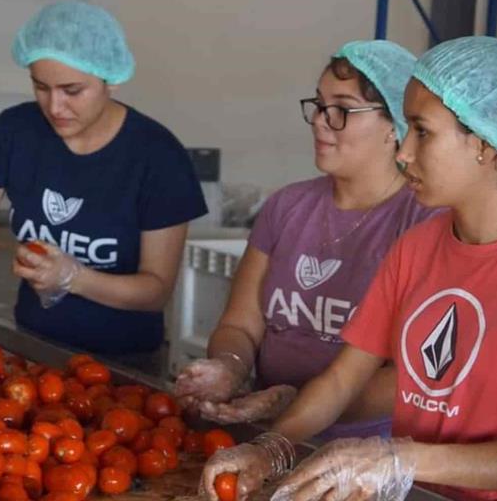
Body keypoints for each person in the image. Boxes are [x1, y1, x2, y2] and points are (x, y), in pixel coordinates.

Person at [200, 36, 497, 501]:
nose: (403, 152)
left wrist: (398, 459)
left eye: (421, 130)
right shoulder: (416, 249)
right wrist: (272, 445)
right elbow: (342, 379)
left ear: (484, 142)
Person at [173, 40, 440, 441]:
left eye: (342, 110)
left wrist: (296, 403)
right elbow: (241, 323)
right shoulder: (287, 206)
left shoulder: (421, 223)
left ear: (394, 127)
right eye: (318, 105)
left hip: (364, 453)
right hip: (266, 430)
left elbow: (408, 378)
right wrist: (228, 366)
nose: (319, 121)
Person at [0, 0, 207, 354]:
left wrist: (74, 278)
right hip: (31, 343)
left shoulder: (158, 157)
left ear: (112, 79)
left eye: (72, 91)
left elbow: (155, 291)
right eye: (40, 88)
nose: (55, 107)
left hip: (125, 362)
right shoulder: (13, 132)